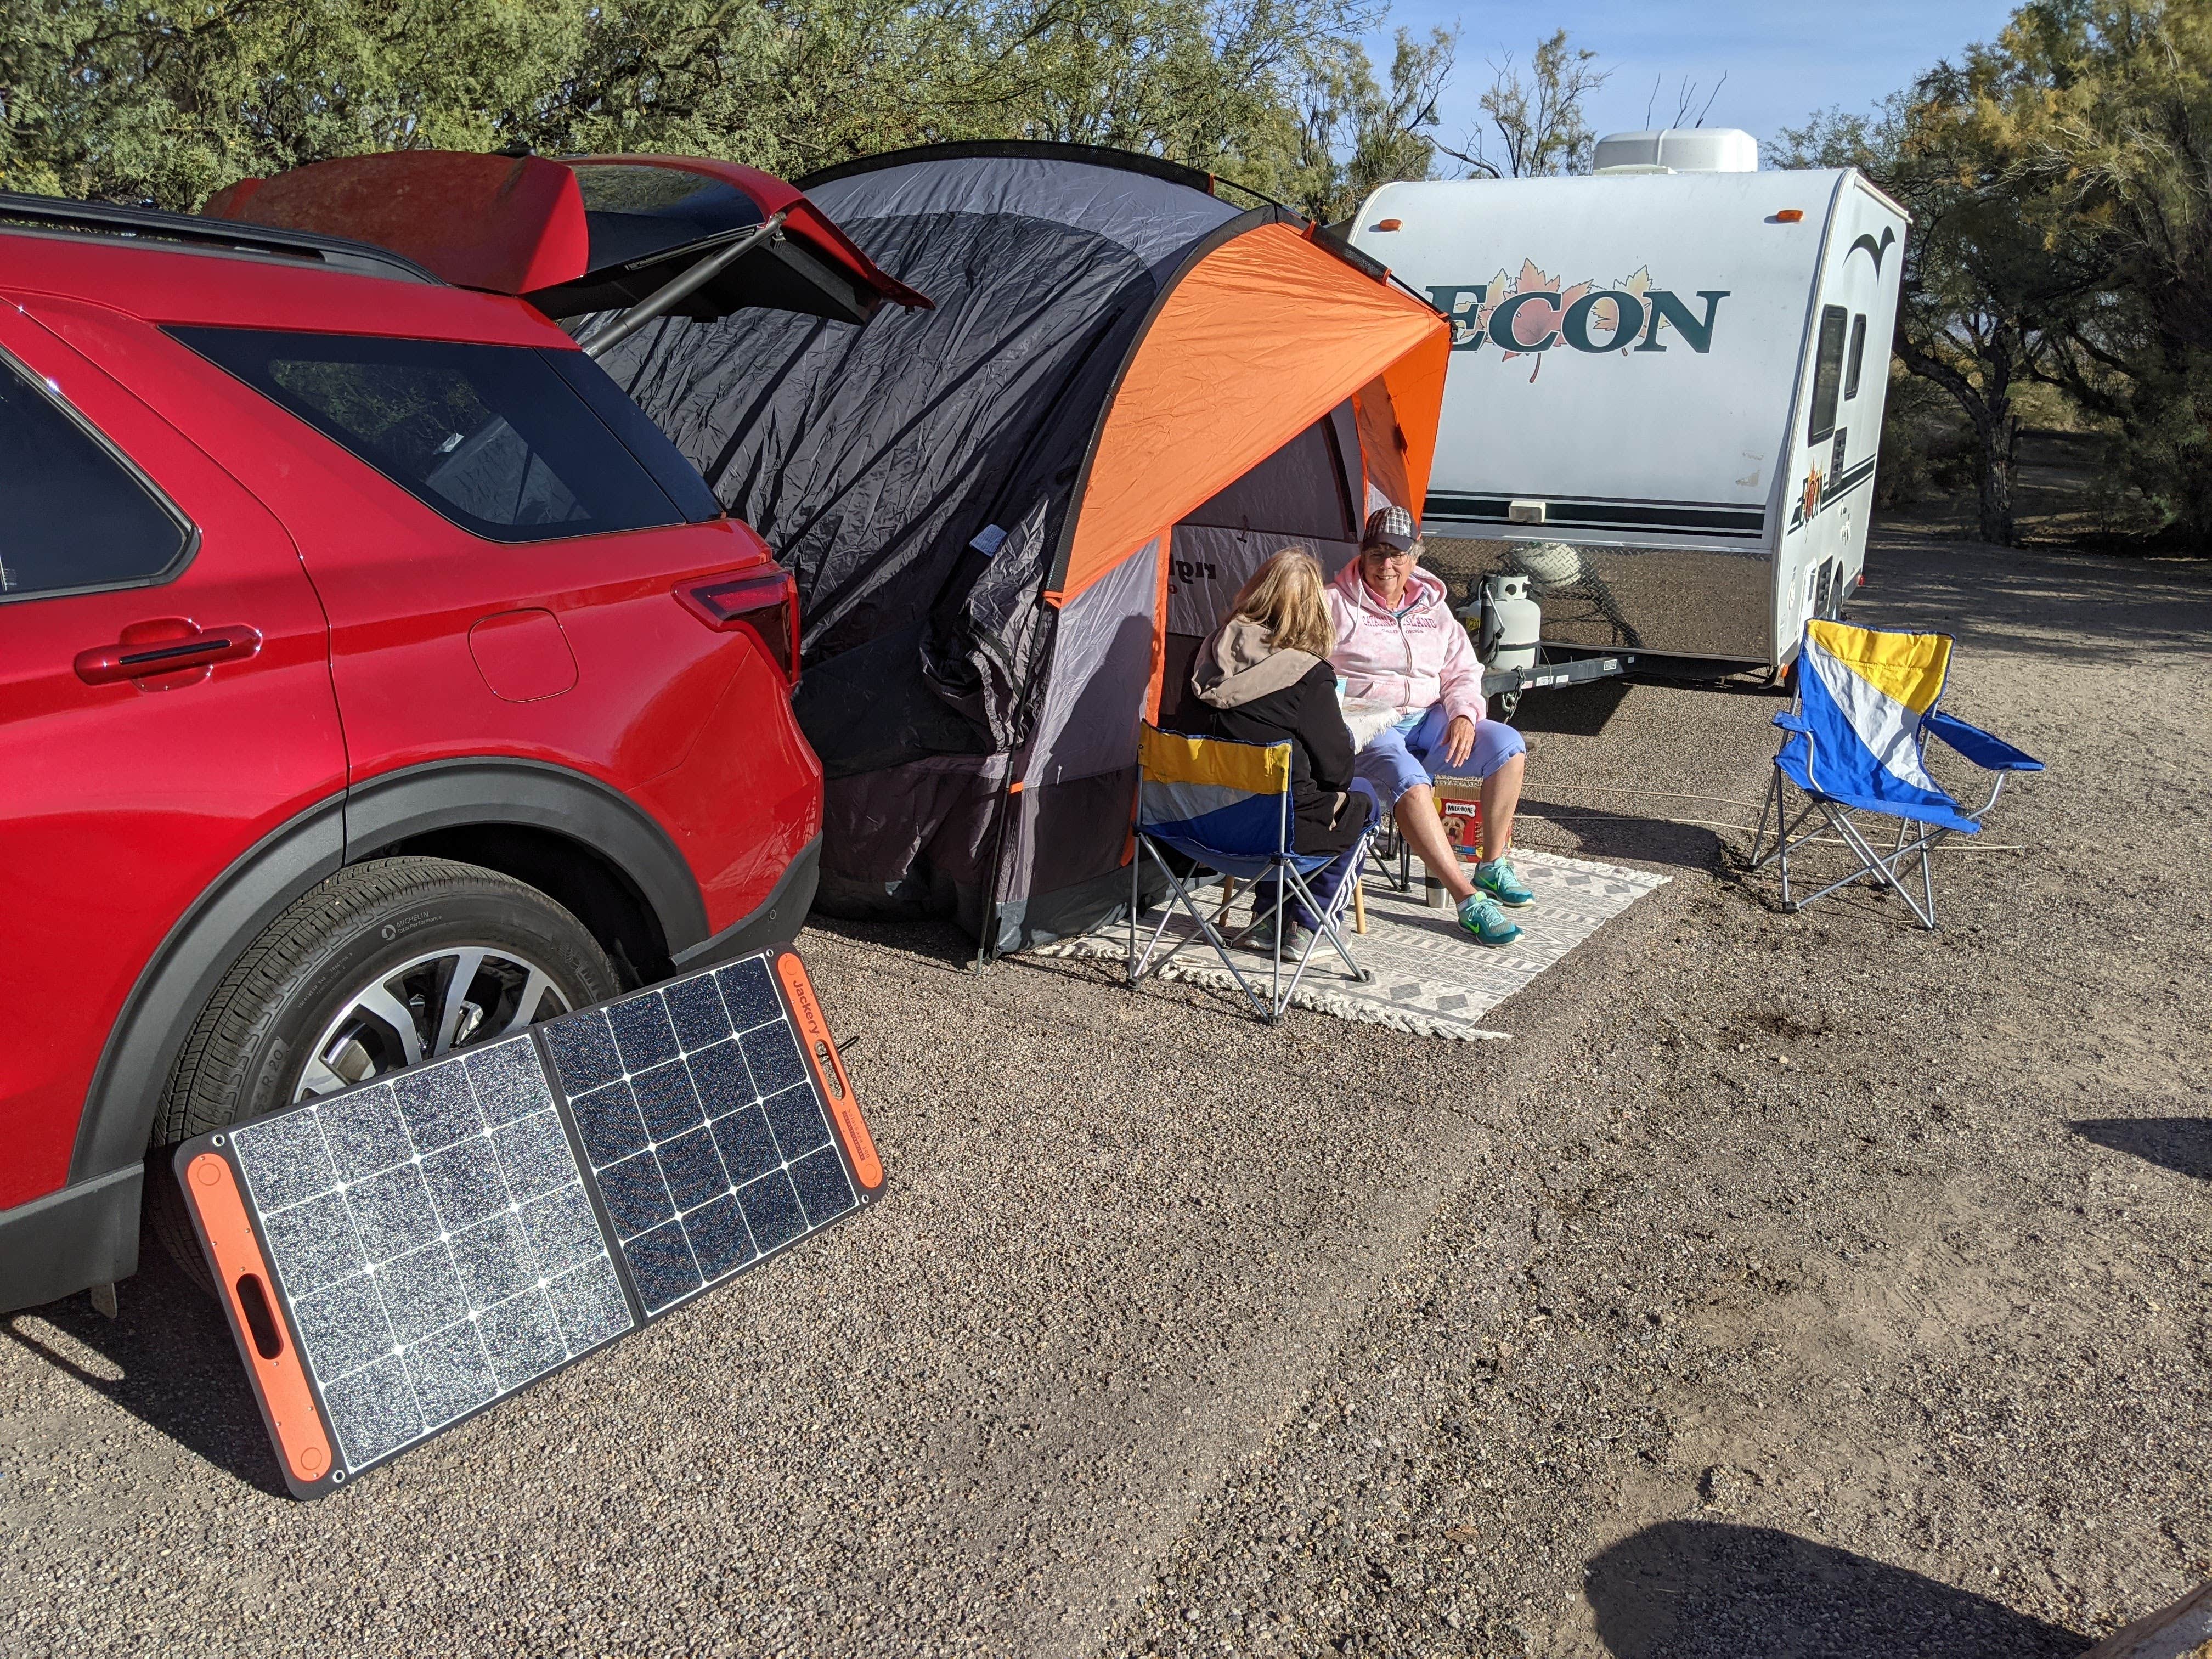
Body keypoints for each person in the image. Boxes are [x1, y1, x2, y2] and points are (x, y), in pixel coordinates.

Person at [1326, 505, 1532, 947]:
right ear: (1362, 554)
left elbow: (1463, 671)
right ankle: (1468, 900)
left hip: (1428, 718)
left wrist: (1463, 714)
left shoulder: (1433, 609)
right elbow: (1308, 669)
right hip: (1368, 725)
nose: (1387, 565)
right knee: (1411, 781)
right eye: (1377, 554)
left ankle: (1492, 864)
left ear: (1415, 555)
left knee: (1508, 746)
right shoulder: (1333, 604)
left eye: (1397, 554)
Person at [1185, 547, 1376, 957]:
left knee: (1282, 796)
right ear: (1314, 609)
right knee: (1360, 798)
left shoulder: (1205, 655)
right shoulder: (1308, 675)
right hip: (1271, 832)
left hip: (1198, 822)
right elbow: (1337, 771)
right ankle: (1310, 924)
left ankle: (1267, 919)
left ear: (1253, 592)